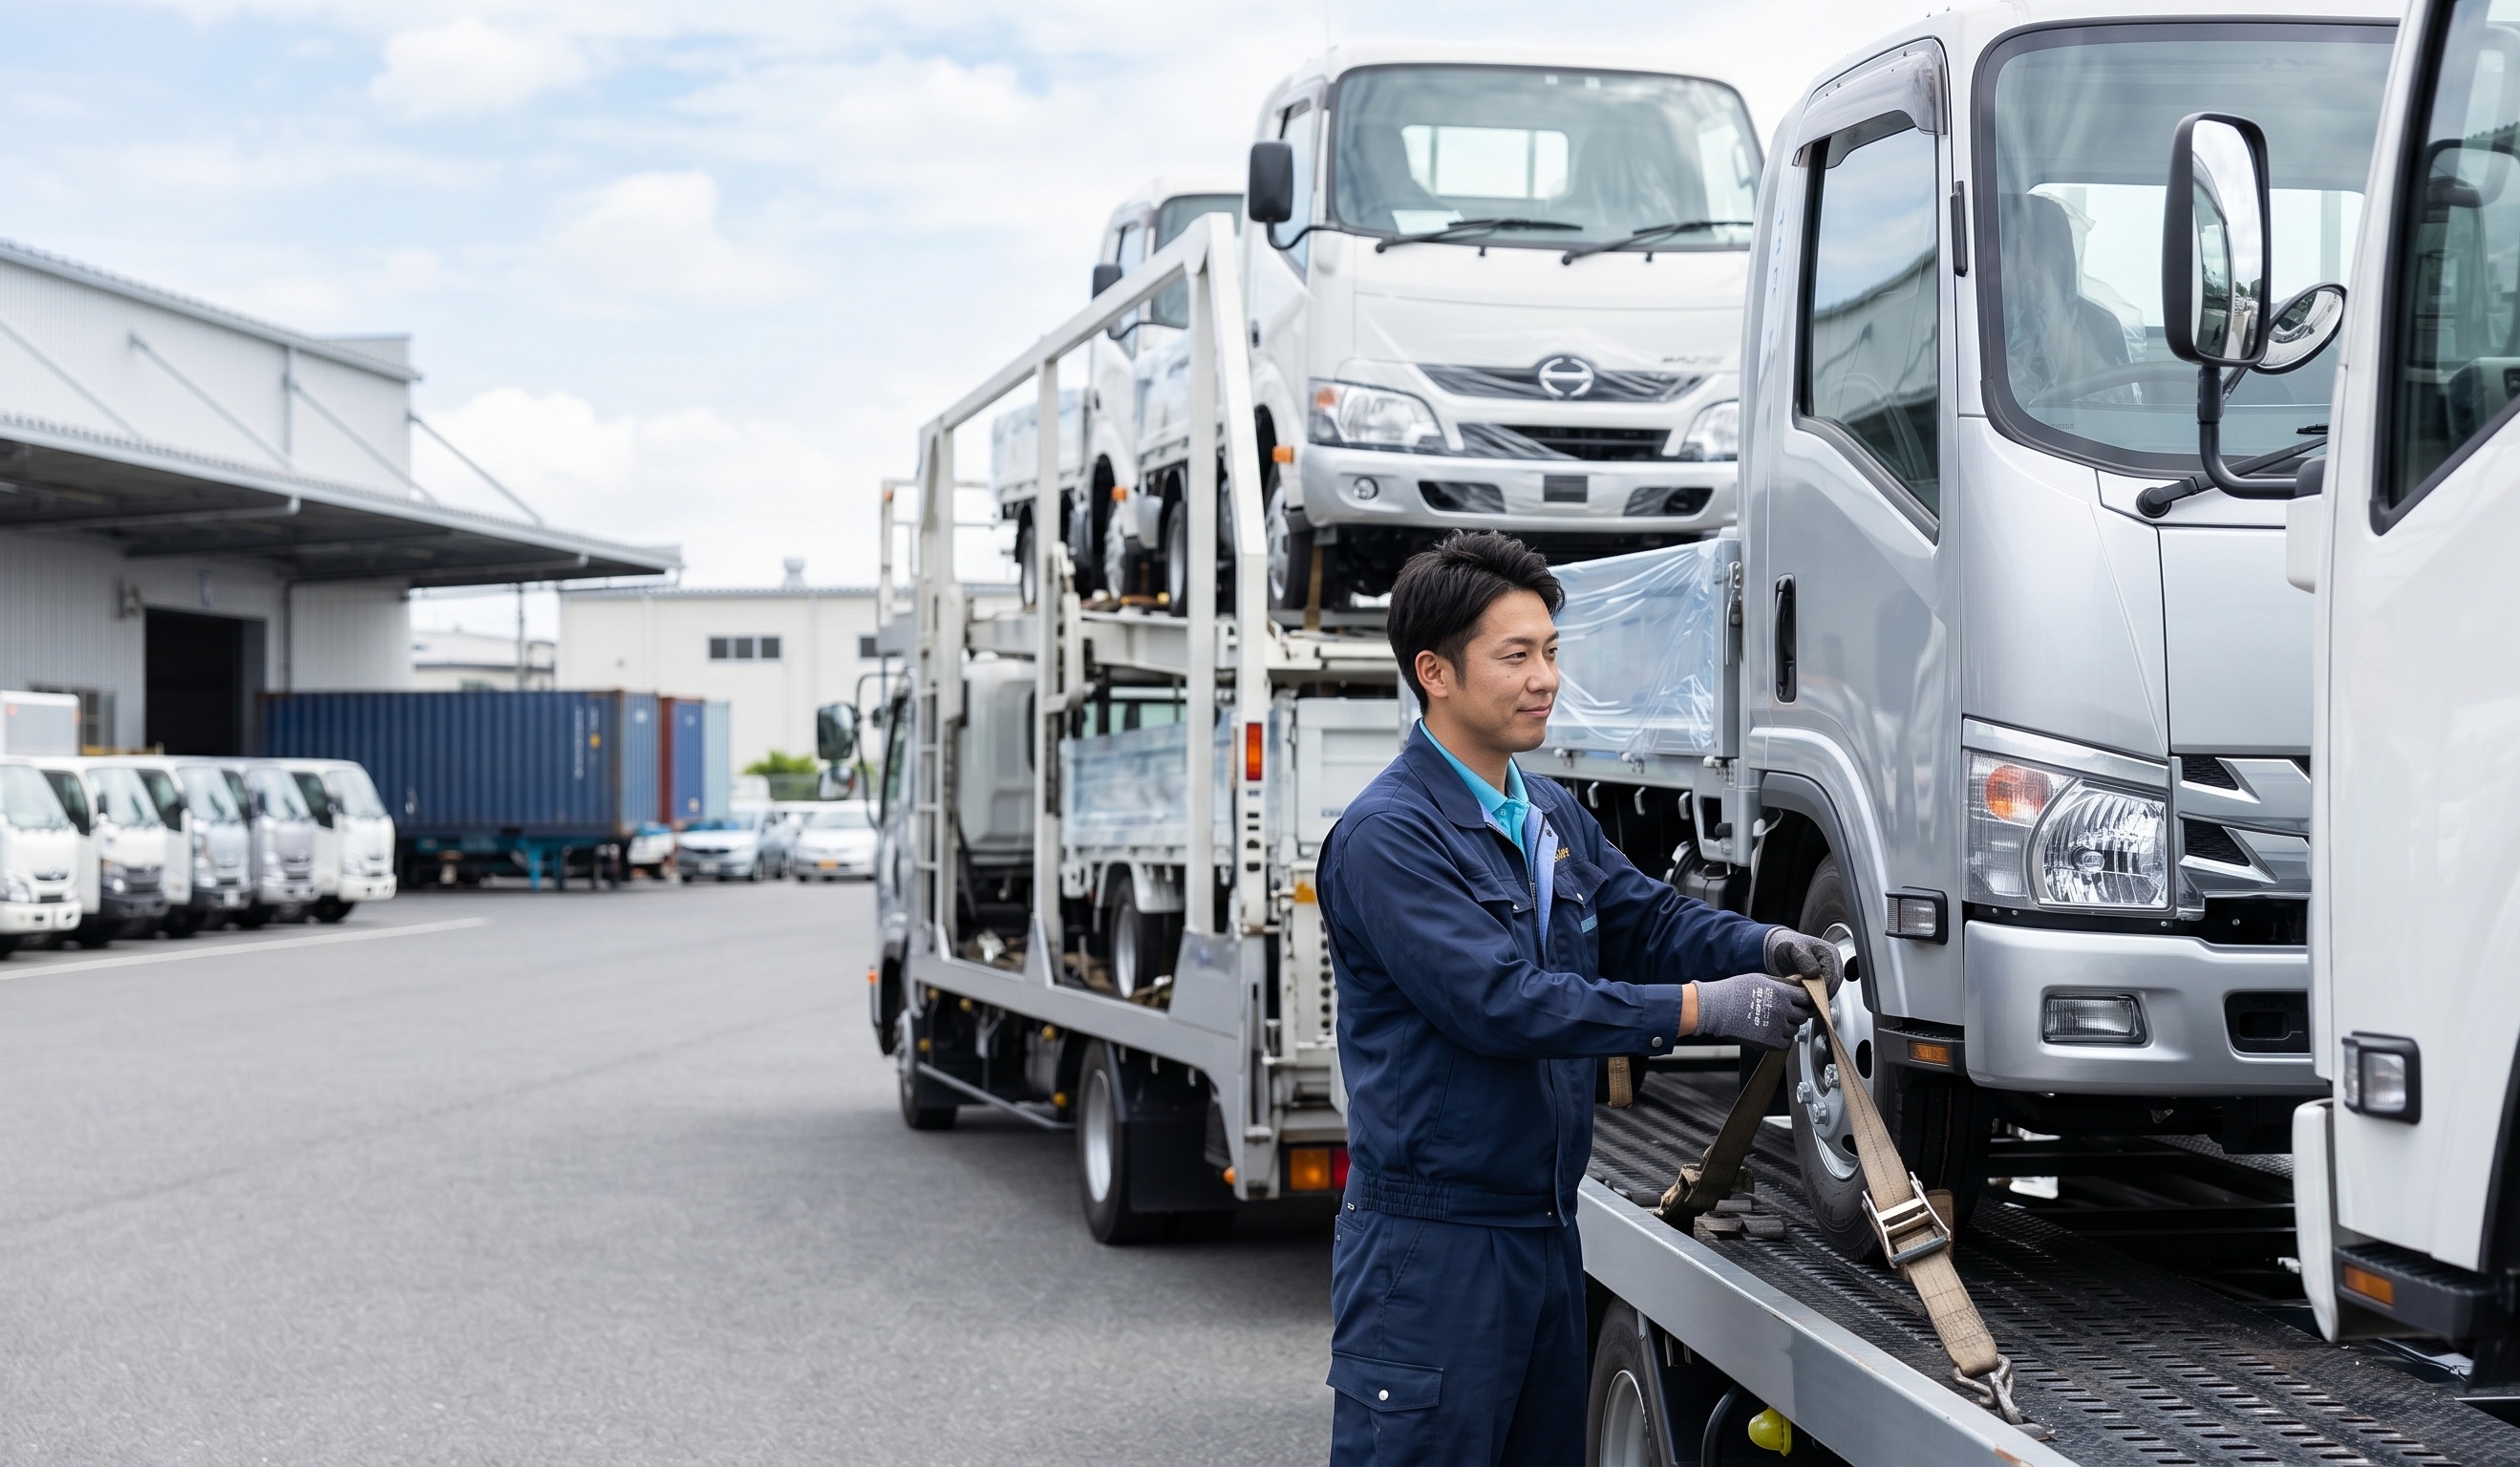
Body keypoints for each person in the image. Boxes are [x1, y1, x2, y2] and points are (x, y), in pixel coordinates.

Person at [1316, 532, 1843, 1466]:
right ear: (1434, 672)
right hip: (1433, 1250)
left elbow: (1643, 919)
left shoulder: (1547, 813)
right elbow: (1501, 1004)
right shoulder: (1386, 839)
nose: (1544, 679)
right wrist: (1700, 1011)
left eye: (1551, 652)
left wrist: (1761, 943)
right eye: (1514, 656)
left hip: (1548, 1232)